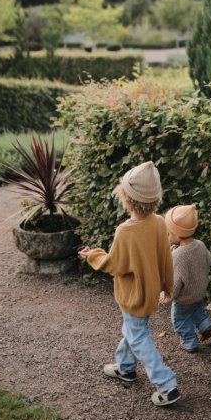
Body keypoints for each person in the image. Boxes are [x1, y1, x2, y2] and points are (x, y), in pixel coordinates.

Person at [78, 161, 181, 407]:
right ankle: (126, 368)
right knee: (133, 331)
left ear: (126, 197)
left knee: (138, 336)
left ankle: (167, 385)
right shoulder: (158, 222)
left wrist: (92, 254)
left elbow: (115, 265)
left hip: (133, 296)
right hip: (149, 292)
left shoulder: (125, 231)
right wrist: (168, 286)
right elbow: (166, 257)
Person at [161, 203, 211, 353]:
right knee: (196, 310)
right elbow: (209, 259)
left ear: (177, 235)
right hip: (198, 292)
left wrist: (168, 295)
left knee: (179, 320)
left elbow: (176, 282)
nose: (168, 235)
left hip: (184, 298)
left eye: (169, 232)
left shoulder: (178, 255)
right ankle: (205, 325)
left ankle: (189, 342)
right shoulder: (200, 244)